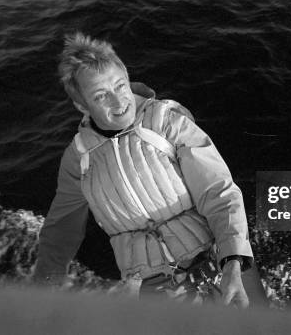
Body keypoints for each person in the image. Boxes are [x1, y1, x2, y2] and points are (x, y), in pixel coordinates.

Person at [34, 32, 257, 308]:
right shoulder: (78, 157)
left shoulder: (166, 123)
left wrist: (233, 264)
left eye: (120, 86)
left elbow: (219, 193)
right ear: (82, 105)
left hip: (220, 262)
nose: (119, 102)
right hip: (156, 289)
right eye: (102, 96)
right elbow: (61, 231)